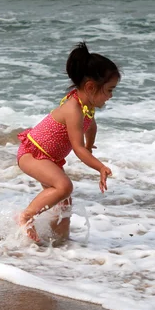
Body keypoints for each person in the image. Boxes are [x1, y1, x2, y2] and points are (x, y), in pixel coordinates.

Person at [16, 42, 120, 242]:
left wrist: (90, 145)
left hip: (49, 158)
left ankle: (58, 241)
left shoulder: (85, 106)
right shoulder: (73, 109)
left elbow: (91, 126)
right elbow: (77, 148)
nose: (111, 96)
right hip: (33, 154)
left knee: (64, 203)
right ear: (90, 86)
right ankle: (27, 216)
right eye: (109, 90)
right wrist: (99, 166)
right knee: (64, 187)